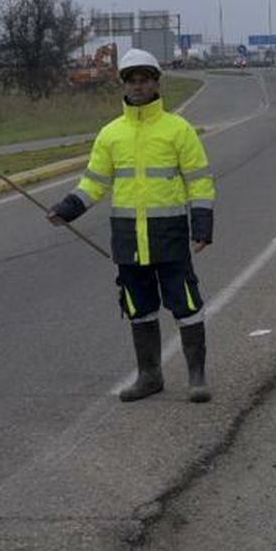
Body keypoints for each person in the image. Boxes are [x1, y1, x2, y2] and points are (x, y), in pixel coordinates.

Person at [47, 48, 217, 403]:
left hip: (168, 236)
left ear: (157, 82)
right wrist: (68, 208)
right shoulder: (111, 134)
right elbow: (93, 183)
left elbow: (199, 181)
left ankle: (197, 377)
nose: (138, 86)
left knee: (186, 304)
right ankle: (149, 376)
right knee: (139, 308)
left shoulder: (178, 130)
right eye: (132, 80)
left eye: (145, 79)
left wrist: (202, 225)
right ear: (123, 85)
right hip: (128, 241)